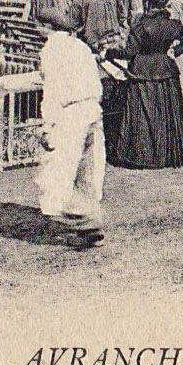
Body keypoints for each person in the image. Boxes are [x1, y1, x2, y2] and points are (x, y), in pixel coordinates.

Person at [37, 21, 106, 248]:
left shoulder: (51, 51)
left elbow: (52, 91)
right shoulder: (80, 46)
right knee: (88, 169)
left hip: (71, 114)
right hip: (92, 108)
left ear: (45, 27)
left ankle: (82, 220)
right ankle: (90, 221)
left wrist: (48, 126)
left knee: (62, 169)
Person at [105, 0, 183, 170]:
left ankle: (142, 156)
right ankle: (168, 154)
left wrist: (108, 52)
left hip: (142, 71)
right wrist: (175, 52)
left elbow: (128, 52)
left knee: (143, 114)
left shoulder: (141, 26)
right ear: (165, 6)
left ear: (148, 5)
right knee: (166, 112)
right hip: (165, 69)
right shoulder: (173, 25)